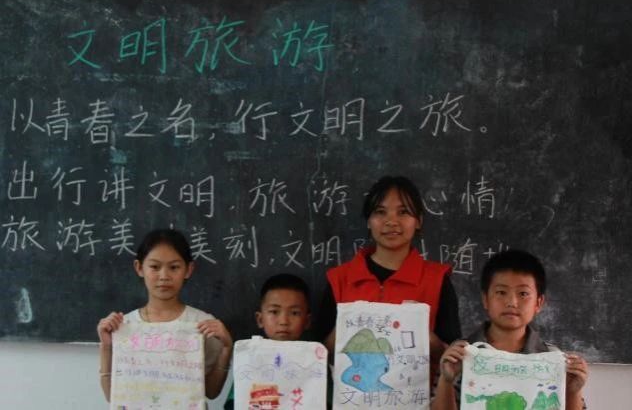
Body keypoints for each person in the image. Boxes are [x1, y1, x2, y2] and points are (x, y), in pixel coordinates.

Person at [314, 175, 461, 363]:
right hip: (352, 381)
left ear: (418, 221)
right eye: (380, 212)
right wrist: (345, 329)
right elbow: (316, 358)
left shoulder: (437, 280)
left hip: (419, 383)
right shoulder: (340, 279)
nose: (391, 221)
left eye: (403, 212)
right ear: (369, 221)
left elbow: (453, 357)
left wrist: (423, 334)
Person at [431, 249, 588, 410]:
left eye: (523, 293)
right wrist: (446, 380)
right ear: (485, 299)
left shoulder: (551, 357)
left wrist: (573, 391)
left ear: (538, 303)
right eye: (501, 292)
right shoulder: (461, 353)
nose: (512, 302)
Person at [96, 228, 233, 402]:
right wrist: (107, 346)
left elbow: (212, 392)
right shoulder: (125, 326)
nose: (164, 276)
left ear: (188, 269)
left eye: (174, 267)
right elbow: (113, 397)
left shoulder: (202, 324)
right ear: (139, 268)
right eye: (154, 267)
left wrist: (226, 349)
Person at [223, 273, 312, 409]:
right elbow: (235, 404)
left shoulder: (315, 360)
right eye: (274, 312)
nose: (283, 321)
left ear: (307, 321)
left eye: (294, 313)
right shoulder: (250, 359)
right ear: (260, 319)